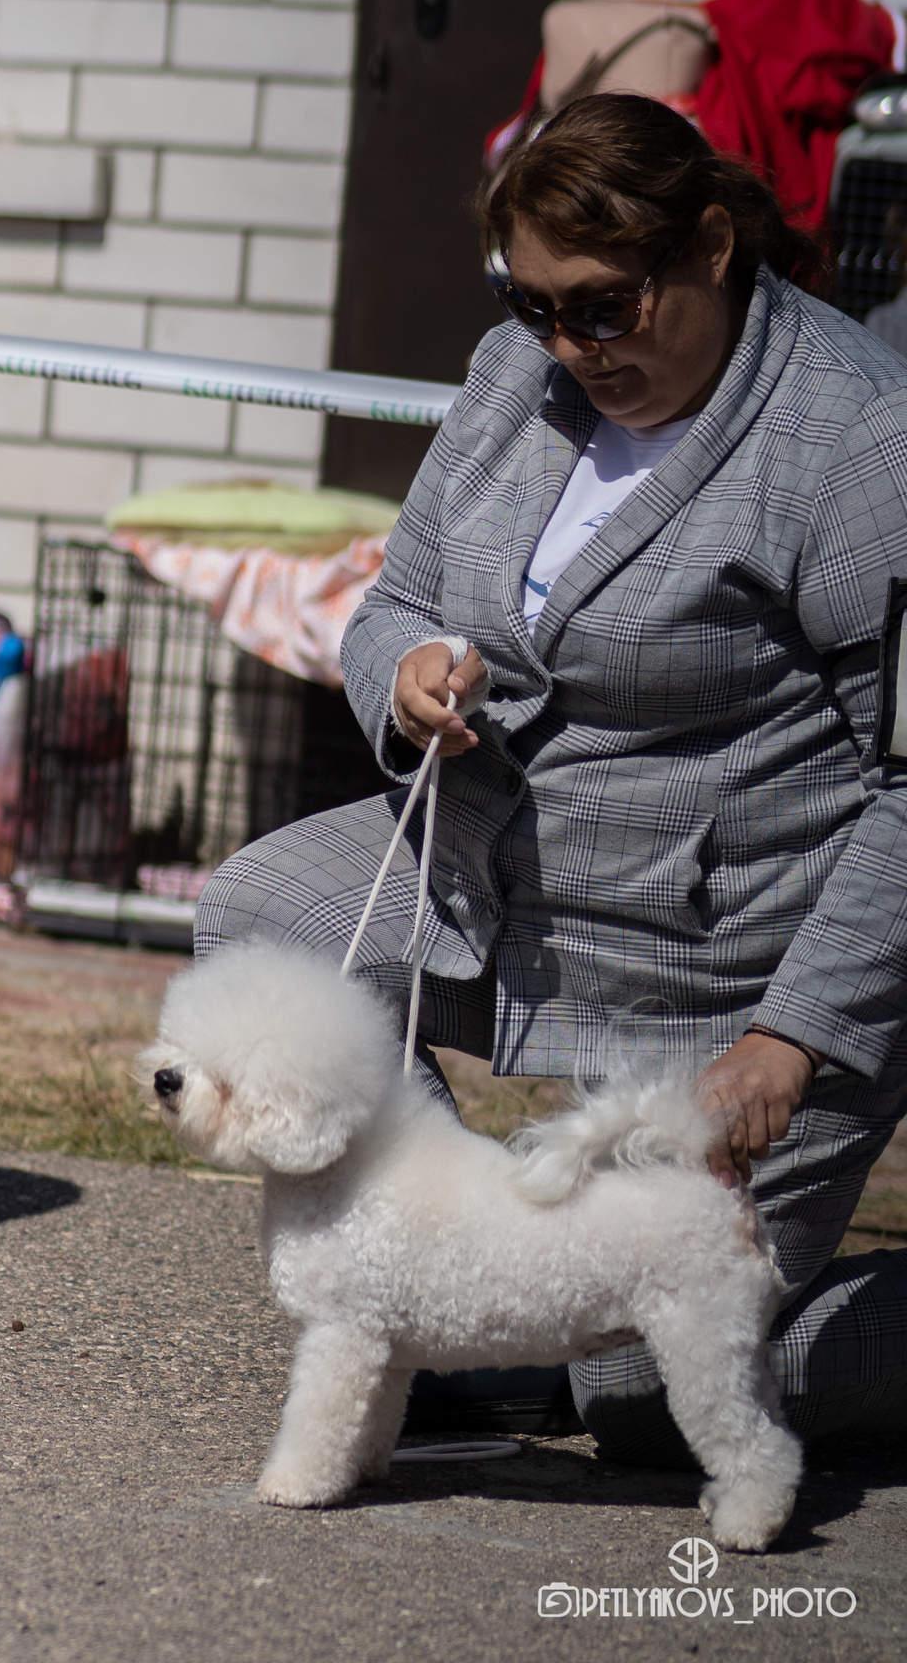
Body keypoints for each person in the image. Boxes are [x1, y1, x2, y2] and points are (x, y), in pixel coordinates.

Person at [200, 91, 907, 1457]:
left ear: (710, 248)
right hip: (508, 868)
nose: (571, 347)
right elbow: (392, 598)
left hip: (745, 959)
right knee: (264, 925)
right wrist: (405, 684)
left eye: (604, 307)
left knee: (649, 1403)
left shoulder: (864, 445)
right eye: (531, 305)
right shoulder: (511, 375)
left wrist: (796, 1037)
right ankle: (439, 1299)